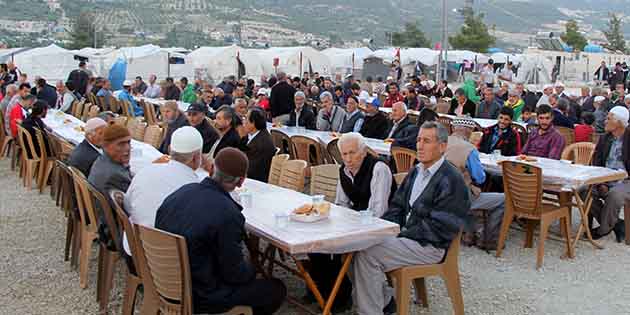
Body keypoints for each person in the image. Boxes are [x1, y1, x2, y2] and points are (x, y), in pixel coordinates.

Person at [351, 122, 472, 315]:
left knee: (367, 254)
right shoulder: (416, 171)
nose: (419, 146)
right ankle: (384, 301)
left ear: (442, 147)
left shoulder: (452, 180)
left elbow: (442, 228)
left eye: (426, 141)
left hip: (430, 245)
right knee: (356, 243)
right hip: (407, 236)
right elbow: (397, 206)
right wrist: (383, 229)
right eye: (418, 140)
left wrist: (400, 234)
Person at [155, 148, 287, 314]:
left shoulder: (181, 192)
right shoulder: (228, 213)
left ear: (211, 170)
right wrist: (254, 269)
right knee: (275, 289)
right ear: (241, 182)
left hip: (163, 280)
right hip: (200, 294)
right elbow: (234, 274)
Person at [124, 126, 207, 254]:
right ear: (196, 158)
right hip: (168, 263)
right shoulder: (197, 189)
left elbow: (127, 206)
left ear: (169, 150)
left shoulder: (146, 170)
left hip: (134, 251)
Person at [445, 122, 506, 249]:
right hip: (458, 197)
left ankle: (468, 234)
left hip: (439, 192)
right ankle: (489, 239)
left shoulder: (441, 142)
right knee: (504, 200)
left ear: (453, 128)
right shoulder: (469, 149)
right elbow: (480, 178)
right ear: (469, 131)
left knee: (472, 190)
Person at [589, 106, 630, 242]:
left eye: (608, 118)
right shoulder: (604, 138)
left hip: (626, 180)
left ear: (619, 122)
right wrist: (601, 182)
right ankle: (617, 224)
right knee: (583, 191)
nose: (604, 121)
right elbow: (597, 162)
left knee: (615, 195)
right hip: (605, 179)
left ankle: (603, 229)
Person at [88, 124, 133, 199]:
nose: (128, 148)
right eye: (121, 144)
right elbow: (134, 201)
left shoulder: (100, 160)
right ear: (105, 146)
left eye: (128, 142)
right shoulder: (116, 175)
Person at [241, 108, 275, 182]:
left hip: (255, 181)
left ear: (253, 123)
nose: (243, 121)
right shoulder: (251, 135)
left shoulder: (262, 143)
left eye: (246, 118)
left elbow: (249, 170)